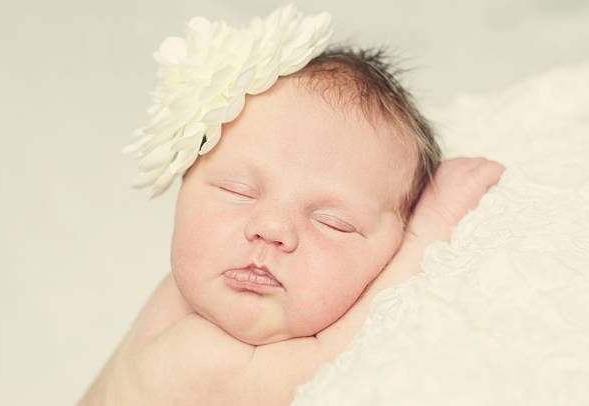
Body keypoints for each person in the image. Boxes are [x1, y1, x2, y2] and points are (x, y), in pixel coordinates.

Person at [78, 6, 504, 405]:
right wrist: (433, 224)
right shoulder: (195, 358)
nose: (271, 227)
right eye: (237, 190)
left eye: (332, 222)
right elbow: (336, 357)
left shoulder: (201, 294)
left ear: (386, 252)